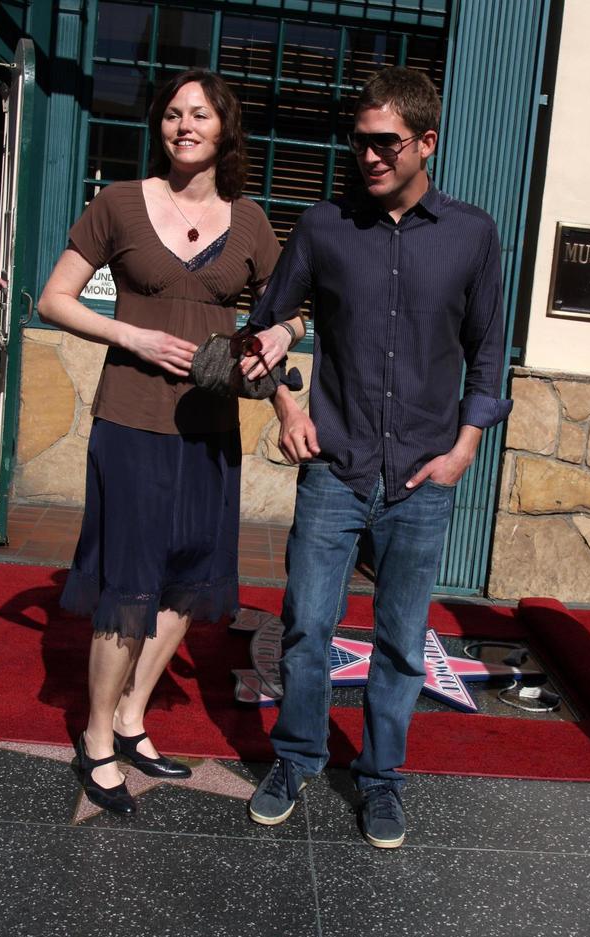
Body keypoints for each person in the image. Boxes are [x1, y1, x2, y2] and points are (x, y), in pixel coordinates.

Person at [244, 67, 512, 848]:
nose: (366, 155)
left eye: (384, 142)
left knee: (401, 639)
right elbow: (264, 328)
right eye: (358, 140)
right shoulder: (324, 227)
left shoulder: (472, 233)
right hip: (336, 467)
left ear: (427, 142)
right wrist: (288, 407)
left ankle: (382, 779)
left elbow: (488, 352)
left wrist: (464, 448)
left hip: (425, 477)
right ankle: (294, 759)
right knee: (306, 627)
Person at [38, 69, 304, 815]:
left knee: (189, 578)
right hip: (130, 421)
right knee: (128, 584)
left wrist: (279, 333)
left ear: (225, 130)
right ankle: (95, 739)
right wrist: (132, 335)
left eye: (200, 115)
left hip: (211, 428)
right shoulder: (118, 203)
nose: (184, 125)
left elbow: (291, 312)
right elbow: (52, 298)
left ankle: (131, 716)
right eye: (173, 114)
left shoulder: (249, 221)